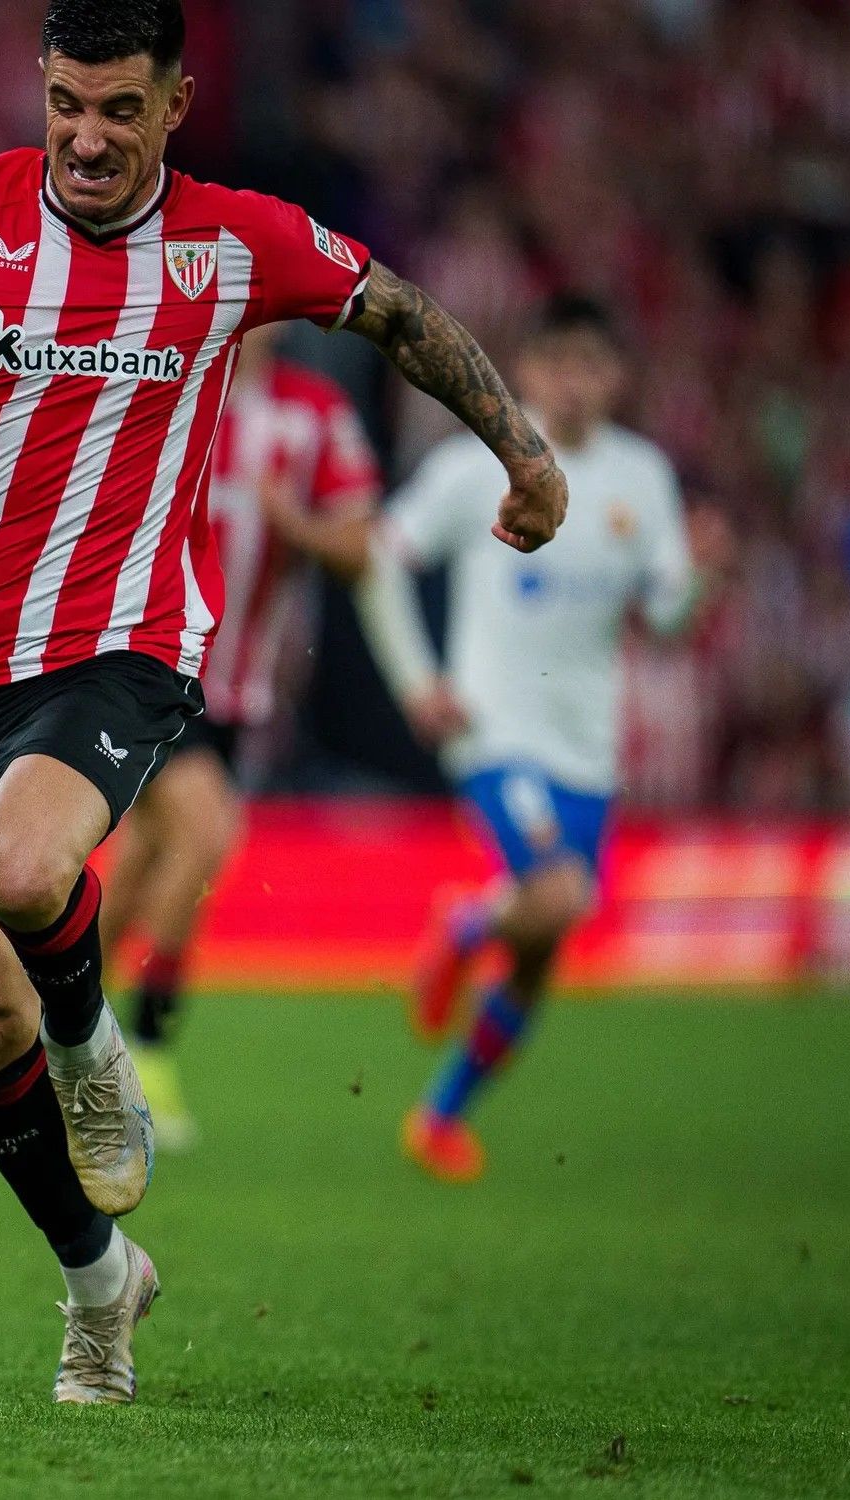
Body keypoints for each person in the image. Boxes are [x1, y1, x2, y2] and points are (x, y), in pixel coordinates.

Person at [0, 0, 567, 1403]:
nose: (87, 134)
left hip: (119, 642)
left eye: (120, 108)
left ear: (175, 104)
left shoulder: (233, 239)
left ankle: (95, 1044)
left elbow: (399, 314)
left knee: (27, 868)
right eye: (68, 101)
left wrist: (524, 450)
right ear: (43, 87)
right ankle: (98, 1285)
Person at [355, 293, 718, 1184]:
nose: (576, 382)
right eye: (558, 362)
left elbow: (667, 616)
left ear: (618, 377)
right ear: (526, 371)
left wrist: (704, 577)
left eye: (593, 364)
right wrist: (418, 683)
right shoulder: (481, 464)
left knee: (543, 952)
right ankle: (466, 920)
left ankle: (437, 1117)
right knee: (557, 899)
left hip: (588, 751)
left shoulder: (643, 476)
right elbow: (377, 556)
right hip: (495, 731)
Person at [97, 322, 380, 1148]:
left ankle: (50, 1049)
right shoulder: (158, 384)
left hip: (235, 693)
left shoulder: (313, 413)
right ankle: (144, 1046)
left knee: (150, 857)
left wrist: (295, 524)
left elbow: (362, 547)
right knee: (210, 830)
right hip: (140, 665)